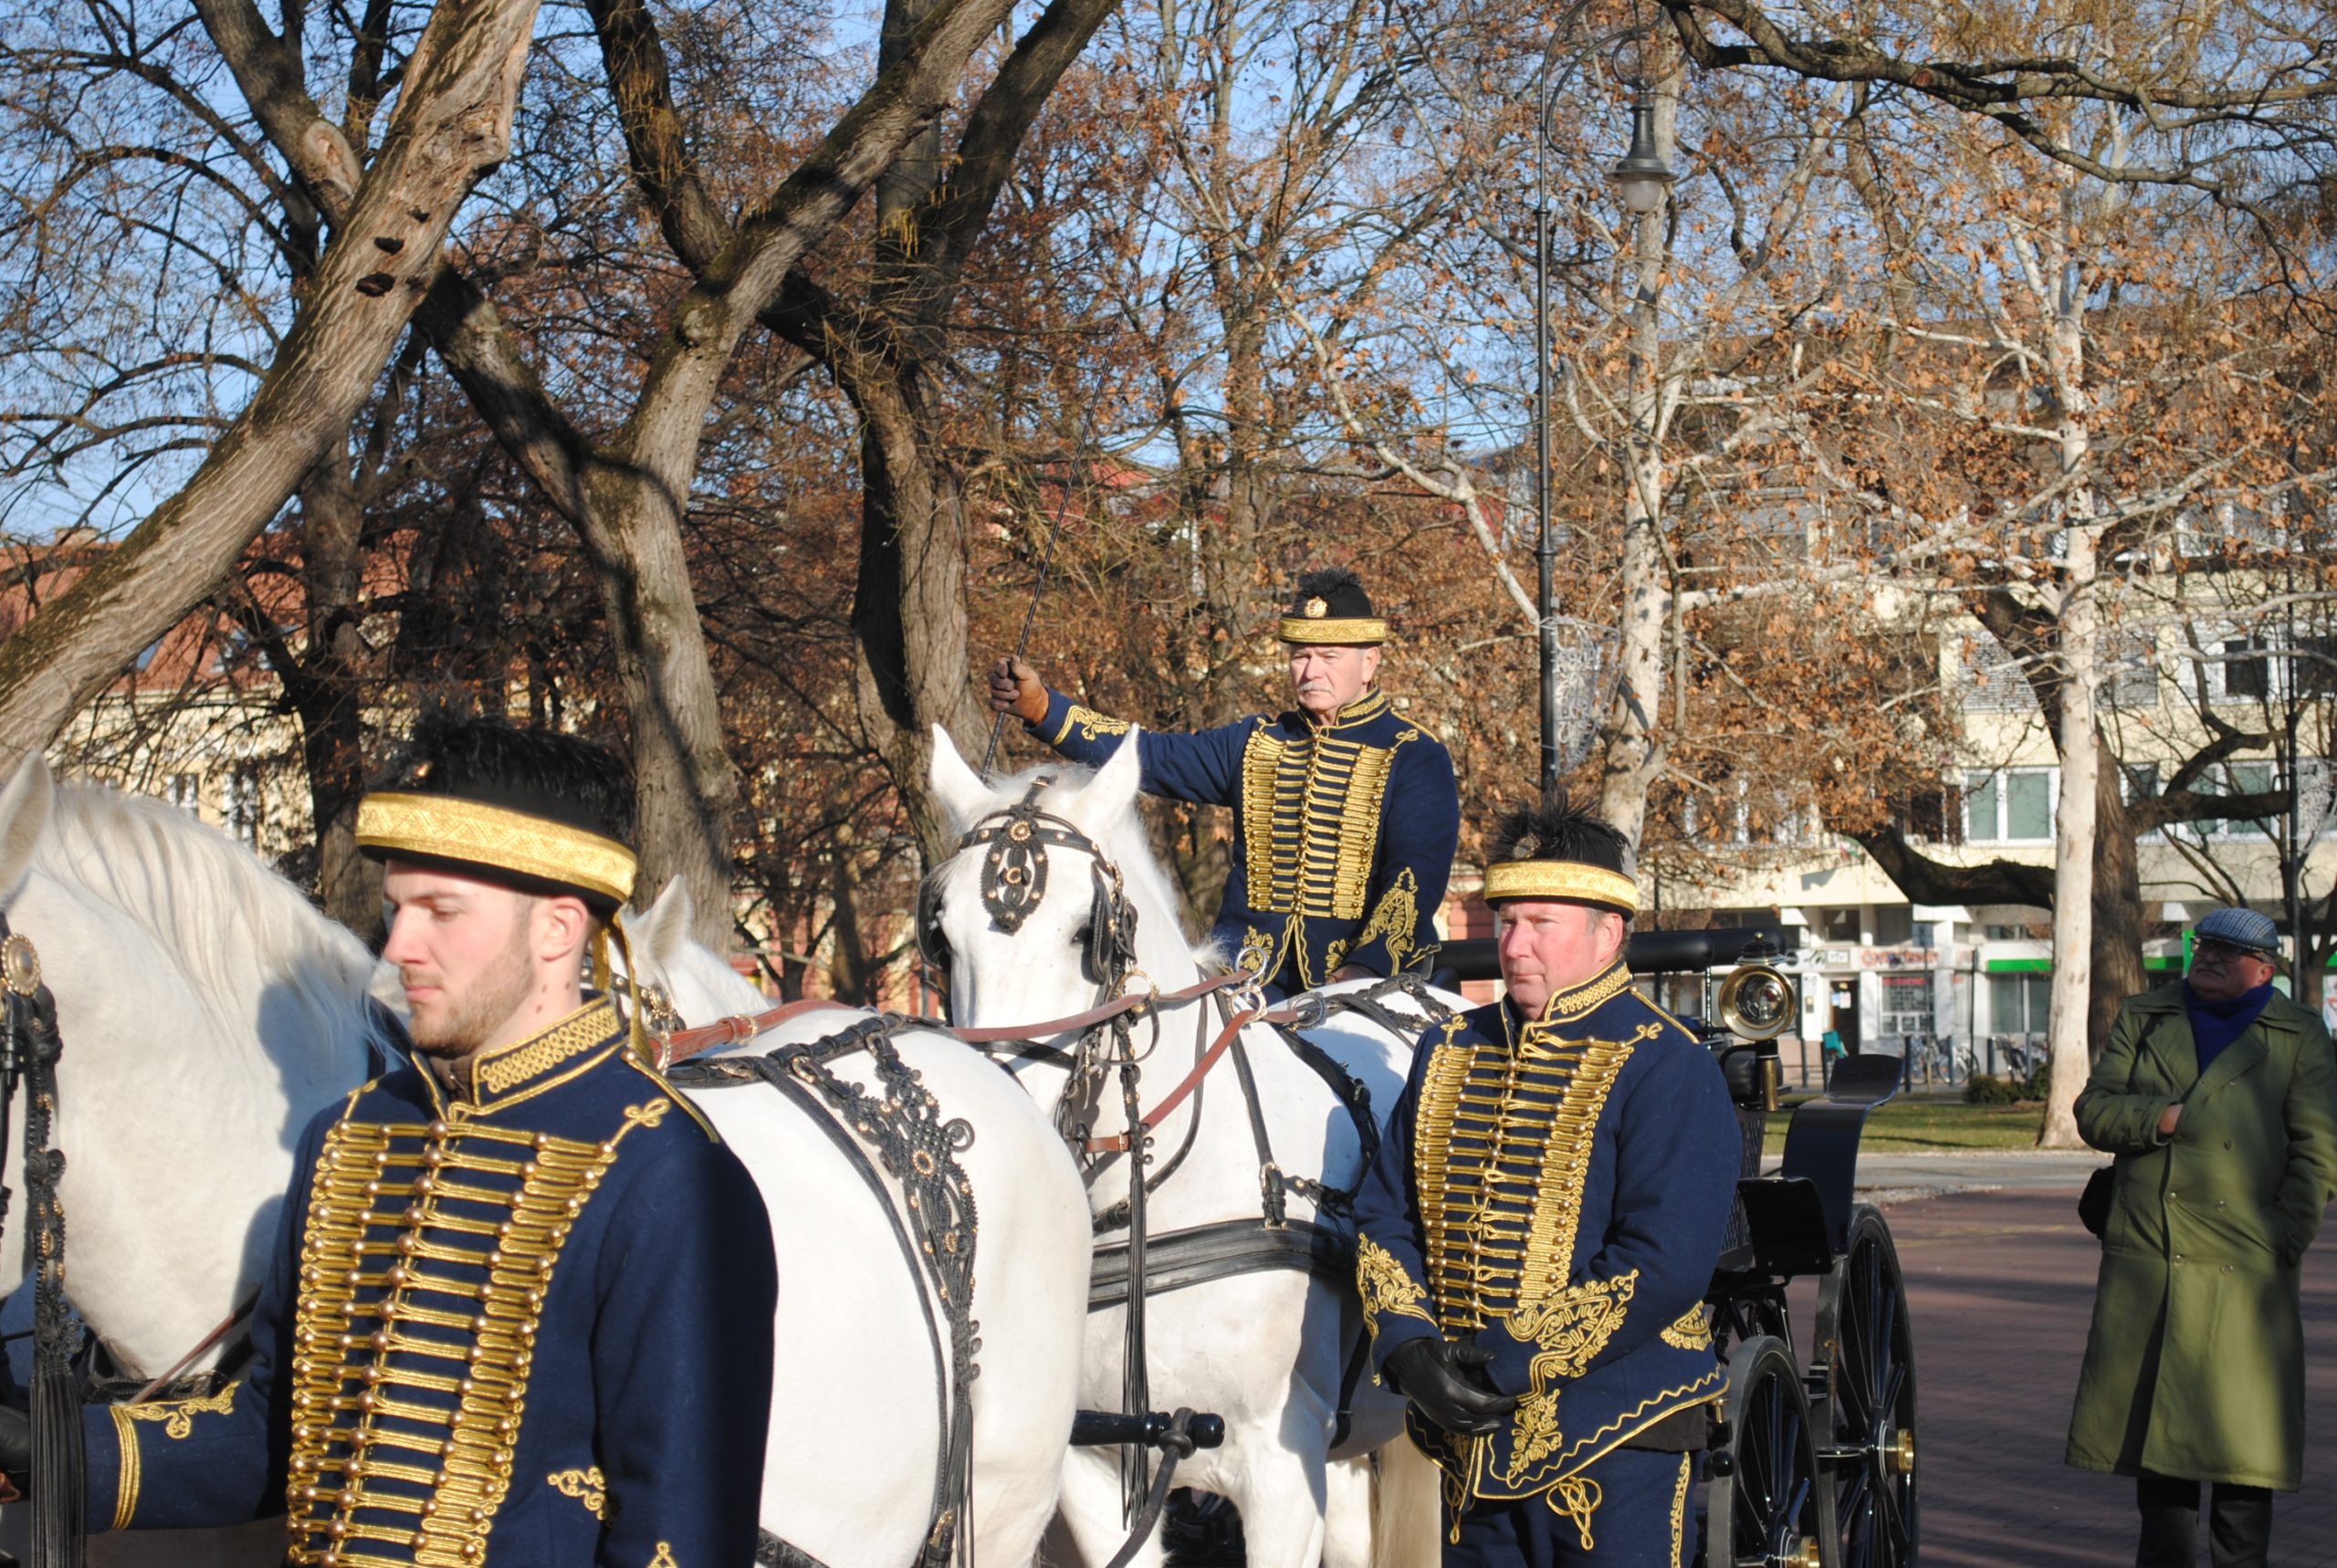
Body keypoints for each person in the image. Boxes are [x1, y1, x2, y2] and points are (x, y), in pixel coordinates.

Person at [2, 718, 778, 1566]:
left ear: (556, 929)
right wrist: (47, 1451)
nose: (400, 948)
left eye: (440, 913)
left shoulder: (668, 1176)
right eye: (397, 910)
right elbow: (269, 1439)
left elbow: (678, 1539)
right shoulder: (348, 1138)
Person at [1350, 801, 1738, 1564]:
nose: (1515, 945)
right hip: (1466, 1441)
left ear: (1609, 933)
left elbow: (1662, 1265)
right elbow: (1384, 1213)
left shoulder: (1665, 1061)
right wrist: (1406, 1345)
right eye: (1506, 922)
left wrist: (1501, 1363)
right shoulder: (1448, 1046)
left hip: (1618, 1431)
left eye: (1541, 923)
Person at [989, 567, 1459, 995]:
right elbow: (1148, 755)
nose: (1311, 671)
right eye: (1301, 656)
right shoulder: (1254, 742)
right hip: (1249, 979)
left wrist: (1363, 970)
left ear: (1369, 663)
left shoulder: (1414, 754)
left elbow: (1412, 879)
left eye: (1329, 656)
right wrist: (1046, 710)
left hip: (1372, 982)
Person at [2068, 905, 2337, 1568]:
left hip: (2246, 1267)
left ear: (2264, 969)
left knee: (2244, 1457)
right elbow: (2094, 1110)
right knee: (2162, 1467)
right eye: (2203, 946)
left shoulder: (2297, 1032)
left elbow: (2318, 1150)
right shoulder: (2145, 1015)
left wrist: (2285, 1237)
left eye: (2226, 951)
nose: (2208, 958)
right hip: (2152, 1262)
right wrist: (2162, 1116)